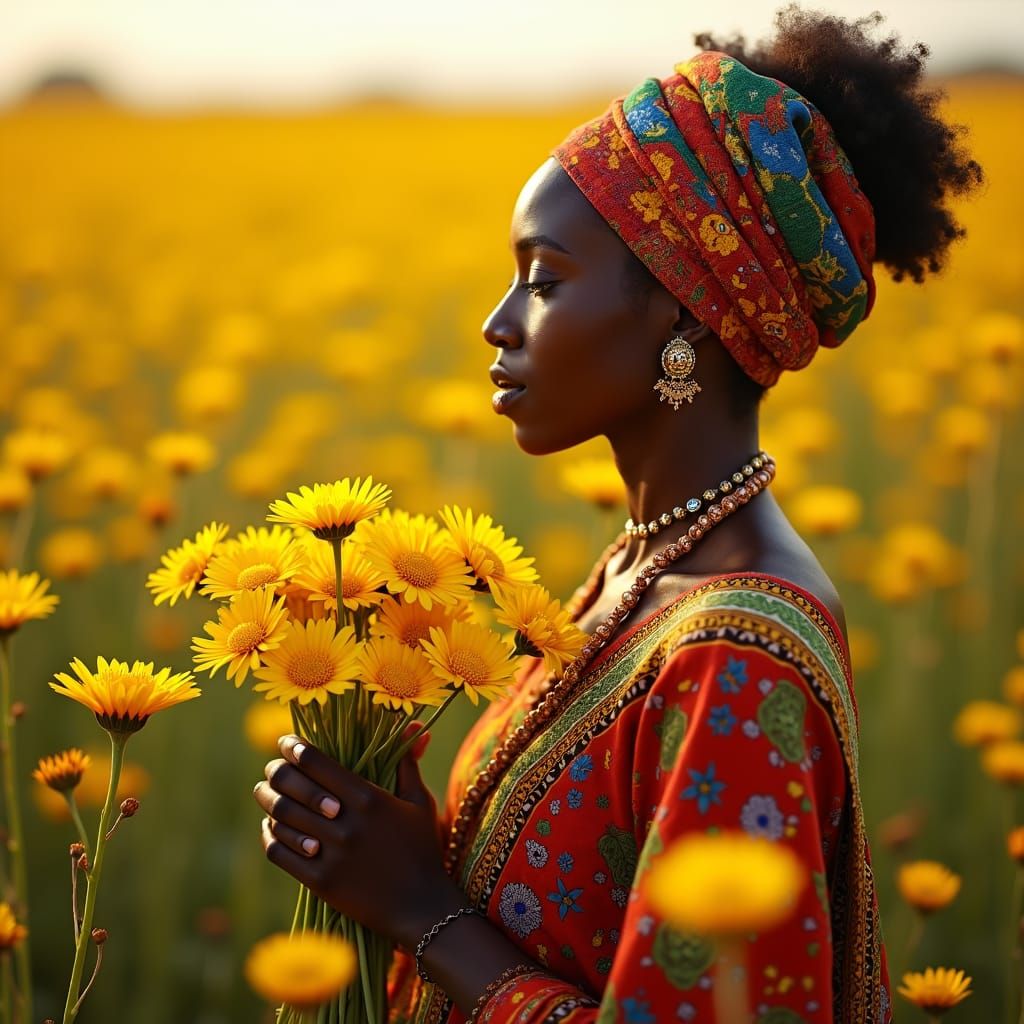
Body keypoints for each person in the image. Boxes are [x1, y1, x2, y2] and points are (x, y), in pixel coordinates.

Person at [252, 8, 982, 1023]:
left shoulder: (734, 654)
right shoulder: (643, 569)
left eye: (543, 279)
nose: (497, 323)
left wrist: (420, 910)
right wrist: (401, 823)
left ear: (685, 311)